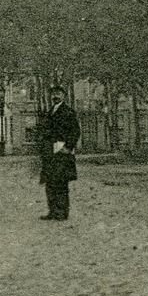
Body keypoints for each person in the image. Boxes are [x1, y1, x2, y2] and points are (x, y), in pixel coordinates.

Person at [39, 85, 81, 220]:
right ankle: (52, 211)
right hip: (49, 153)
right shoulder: (49, 112)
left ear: (64, 95)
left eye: (58, 93)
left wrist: (68, 147)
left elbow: (75, 131)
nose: (55, 96)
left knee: (61, 183)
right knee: (50, 182)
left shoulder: (68, 112)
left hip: (61, 152)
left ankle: (62, 213)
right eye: (53, 94)